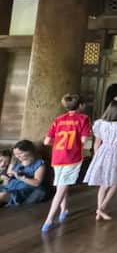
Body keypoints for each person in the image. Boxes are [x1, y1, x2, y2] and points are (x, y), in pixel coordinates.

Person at [42, 94, 92, 232]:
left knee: (62, 184)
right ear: (80, 105)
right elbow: (83, 140)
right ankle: (49, 219)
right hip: (72, 157)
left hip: (57, 157)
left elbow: (46, 141)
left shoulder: (58, 119)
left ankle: (64, 210)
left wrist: (59, 144)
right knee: (61, 188)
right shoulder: (83, 119)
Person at [83, 99, 117, 221]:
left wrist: (96, 157)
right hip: (116, 153)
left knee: (103, 183)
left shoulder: (100, 123)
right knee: (115, 182)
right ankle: (101, 208)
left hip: (102, 152)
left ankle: (99, 212)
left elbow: (97, 143)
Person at [0, 140, 46, 206]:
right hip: (9, 185)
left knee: (2, 195)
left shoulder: (39, 163)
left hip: (23, 189)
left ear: (29, 151)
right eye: (15, 154)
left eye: (20, 154)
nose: (17, 156)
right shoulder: (15, 160)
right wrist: (7, 176)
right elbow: (8, 173)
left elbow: (37, 183)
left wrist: (22, 178)